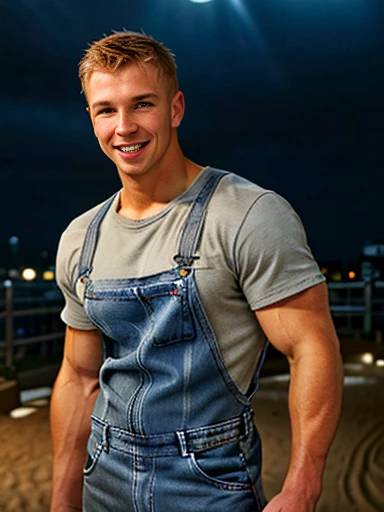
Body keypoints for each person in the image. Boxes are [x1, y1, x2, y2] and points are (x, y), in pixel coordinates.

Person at [50, 31, 343, 512]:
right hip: (102, 478)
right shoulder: (81, 238)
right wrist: (63, 497)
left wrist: (303, 486)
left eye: (142, 104)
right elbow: (79, 377)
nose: (124, 126)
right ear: (91, 119)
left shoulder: (248, 214)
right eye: (106, 110)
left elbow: (312, 346)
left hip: (209, 482)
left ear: (175, 108)